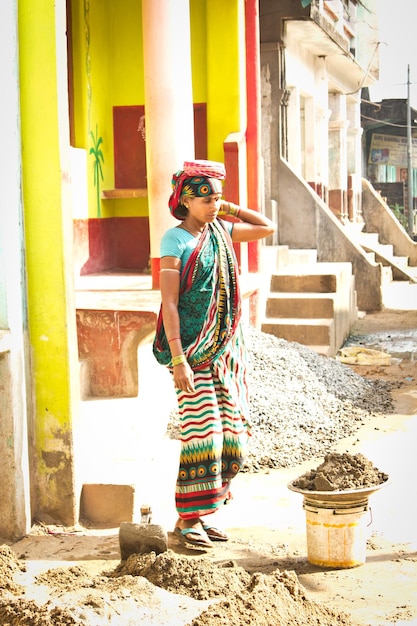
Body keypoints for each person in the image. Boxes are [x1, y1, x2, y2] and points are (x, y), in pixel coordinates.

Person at [153, 159, 276, 549]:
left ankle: (201, 515)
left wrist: (229, 208)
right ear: (185, 201)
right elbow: (169, 304)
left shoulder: (221, 230)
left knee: (233, 439)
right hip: (190, 350)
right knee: (203, 436)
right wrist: (177, 359)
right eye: (206, 199)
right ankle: (189, 519)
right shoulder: (175, 240)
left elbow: (266, 227)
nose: (212, 206)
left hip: (225, 351)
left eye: (217, 199)